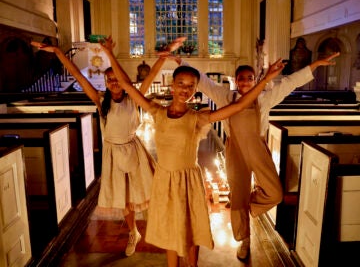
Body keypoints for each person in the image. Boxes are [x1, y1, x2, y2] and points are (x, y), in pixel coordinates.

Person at [99, 36, 286, 267]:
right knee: (170, 229)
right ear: (172, 85)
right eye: (181, 84)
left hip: (189, 180)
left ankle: (193, 265)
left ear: (196, 89)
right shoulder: (156, 111)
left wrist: (266, 79)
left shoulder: (198, 118)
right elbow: (127, 85)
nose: (185, 89)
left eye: (190, 86)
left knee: (191, 228)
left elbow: (238, 106)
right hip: (164, 180)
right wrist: (108, 53)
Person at [173, 51, 340, 261]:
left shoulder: (264, 97)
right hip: (235, 149)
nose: (245, 82)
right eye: (241, 78)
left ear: (255, 80)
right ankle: (244, 239)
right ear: (235, 80)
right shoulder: (225, 96)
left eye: (249, 78)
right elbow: (204, 82)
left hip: (258, 147)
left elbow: (289, 83)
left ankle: (247, 208)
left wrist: (315, 64)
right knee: (238, 194)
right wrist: (181, 61)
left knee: (275, 193)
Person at [31, 37, 185, 257]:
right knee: (125, 200)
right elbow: (76, 73)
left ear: (123, 80)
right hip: (113, 153)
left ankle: (165, 228)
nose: (114, 82)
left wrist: (165, 55)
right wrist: (57, 51)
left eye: (117, 79)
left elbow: (150, 75)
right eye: (109, 79)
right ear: (104, 83)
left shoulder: (133, 97)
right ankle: (134, 232)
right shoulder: (100, 99)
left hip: (133, 150)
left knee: (151, 192)